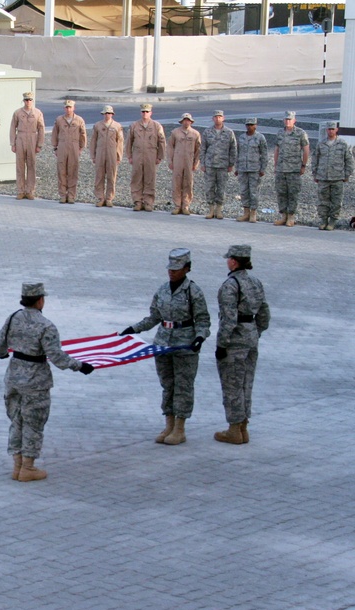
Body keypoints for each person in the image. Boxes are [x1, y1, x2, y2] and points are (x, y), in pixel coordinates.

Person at [0, 282, 94, 481]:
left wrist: (7, 354)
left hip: (13, 376)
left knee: (16, 420)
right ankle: (28, 468)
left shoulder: (13, 318)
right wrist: (80, 366)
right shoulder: (46, 326)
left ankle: (17, 466)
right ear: (40, 300)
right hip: (35, 381)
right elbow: (56, 357)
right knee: (33, 422)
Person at [119, 249, 210, 445]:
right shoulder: (162, 290)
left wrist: (200, 337)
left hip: (185, 344)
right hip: (162, 343)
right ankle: (168, 424)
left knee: (183, 385)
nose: (172, 272)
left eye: (177, 269)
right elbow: (154, 317)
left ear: (187, 269)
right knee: (168, 384)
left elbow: (203, 319)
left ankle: (180, 427)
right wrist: (134, 329)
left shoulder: (193, 291)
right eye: (170, 268)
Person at [214, 245, 270, 445]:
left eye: (228, 258)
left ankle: (234, 430)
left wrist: (221, 344)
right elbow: (264, 313)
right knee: (246, 383)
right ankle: (244, 427)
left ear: (234, 261)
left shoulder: (230, 285)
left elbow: (228, 319)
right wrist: (255, 333)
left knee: (232, 385)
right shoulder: (255, 282)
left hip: (235, 341)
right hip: (251, 338)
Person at [311, 120, 353, 230]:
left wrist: (346, 175)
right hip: (323, 177)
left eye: (332, 129)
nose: (330, 131)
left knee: (336, 201)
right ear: (326, 130)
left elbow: (349, 160)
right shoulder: (321, 144)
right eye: (329, 129)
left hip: (337, 177)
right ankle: (323, 220)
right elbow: (315, 159)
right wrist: (315, 173)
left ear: (336, 130)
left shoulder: (342, 144)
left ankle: (333, 221)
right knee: (323, 200)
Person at [273, 111, 310, 227]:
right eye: (286, 119)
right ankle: (283, 215)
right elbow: (277, 150)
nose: (288, 121)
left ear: (294, 120)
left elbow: (306, 150)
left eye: (290, 119)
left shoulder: (300, 133)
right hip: (281, 168)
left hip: (294, 169)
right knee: (281, 193)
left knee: (293, 193)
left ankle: (291, 216)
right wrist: (275, 164)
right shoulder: (280, 133)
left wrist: (303, 165)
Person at [127, 103, 165, 212]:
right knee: (136, 178)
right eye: (143, 112)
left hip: (151, 155)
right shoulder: (134, 125)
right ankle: (137, 202)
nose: (145, 114)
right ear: (140, 112)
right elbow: (129, 142)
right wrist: (129, 155)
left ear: (151, 113)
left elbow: (162, 141)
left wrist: (160, 156)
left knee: (150, 178)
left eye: (147, 112)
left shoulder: (156, 126)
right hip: (137, 154)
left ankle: (148, 202)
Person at [200, 110, 237, 220]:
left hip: (223, 165)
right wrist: (203, 163)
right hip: (210, 165)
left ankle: (219, 209)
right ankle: (211, 209)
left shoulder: (229, 132)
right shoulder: (207, 132)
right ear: (213, 119)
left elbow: (233, 149)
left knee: (221, 188)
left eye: (219, 117)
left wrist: (231, 163)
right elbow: (203, 148)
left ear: (223, 118)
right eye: (216, 117)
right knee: (209, 188)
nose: (217, 119)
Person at [9, 92, 44, 200]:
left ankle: (30, 191)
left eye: (30, 100)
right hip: (20, 138)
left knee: (31, 165)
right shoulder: (18, 113)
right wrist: (13, 143)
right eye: (26, 100)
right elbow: (12, 128)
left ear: (32, 101)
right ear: (23, 101)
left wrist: (39, 144)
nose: (28, 102)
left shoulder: (37, 113)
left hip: (32, 139)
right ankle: (20, 190)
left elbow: (41, 129)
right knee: (20, 166)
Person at [50, 100, 86, 204]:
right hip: (62, 146)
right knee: (61, 171)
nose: (68, 109)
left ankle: (71, 195)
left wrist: (80, 148)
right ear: (64, 108)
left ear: (74, 108)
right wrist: (55, 148)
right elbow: (54, 134)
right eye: (66, 107)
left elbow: (83, 134)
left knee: (73, 171)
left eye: (70, 107)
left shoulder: (79, 120)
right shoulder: (59, 120)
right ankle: (62, 195)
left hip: (74, 146)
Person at [89, 105, 123, 207]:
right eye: (105, 113)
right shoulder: (98, 125)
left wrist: (118, 156)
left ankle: (109, 198)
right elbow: (93, 141)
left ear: (112, 114)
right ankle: (100, 197)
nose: (107, 115)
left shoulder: (117, 126)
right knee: (99, 176)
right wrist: (93, 155)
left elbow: (120, 142)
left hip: (112, 153)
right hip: (100, 153)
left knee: (111, 176)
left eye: (109, 113)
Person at [235, 118, 267, 223]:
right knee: (244, 191)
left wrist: (263, 168)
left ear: (255, 126)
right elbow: (238, 153)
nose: (249, 127)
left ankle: (253, 213)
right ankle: (246, 212)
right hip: (243, 169)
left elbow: (264, 155)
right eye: (248, 125)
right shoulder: (241, 137)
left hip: (254, 169)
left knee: (254, 192)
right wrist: (237, 167)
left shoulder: (260, 138)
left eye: (251, 125)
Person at [168, 113, 201, 215]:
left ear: (191, 122)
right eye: (184, 120)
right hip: (177, 160)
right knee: (176, 183)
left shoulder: (195, 134)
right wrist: (170, 161)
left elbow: (198, 150)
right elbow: (170, 147)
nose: (186, 122)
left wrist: (196, 163)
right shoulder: (175, 133)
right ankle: (177, 205)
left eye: (188, 120)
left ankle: (186, 205)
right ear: (181, 121)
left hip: (189, 161)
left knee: (188, 183)